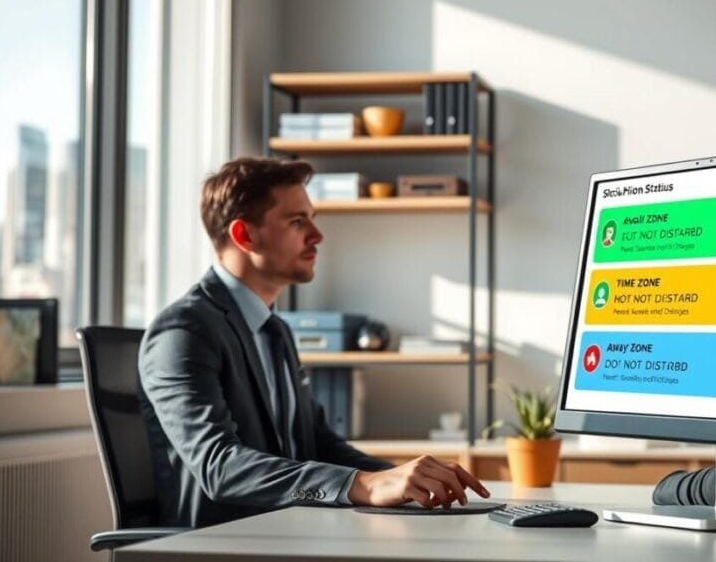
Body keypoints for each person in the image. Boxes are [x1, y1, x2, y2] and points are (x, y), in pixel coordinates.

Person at [138, 157, 489, 528]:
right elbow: (220, 466)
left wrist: (404, 480)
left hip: (288, 529)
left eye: (312, 218)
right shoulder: (184, 333)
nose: (317, 235)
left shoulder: (275, 331)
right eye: (296, 221)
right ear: (245, 235)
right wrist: (366, 485)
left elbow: (318, 443)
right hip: (222, 542)